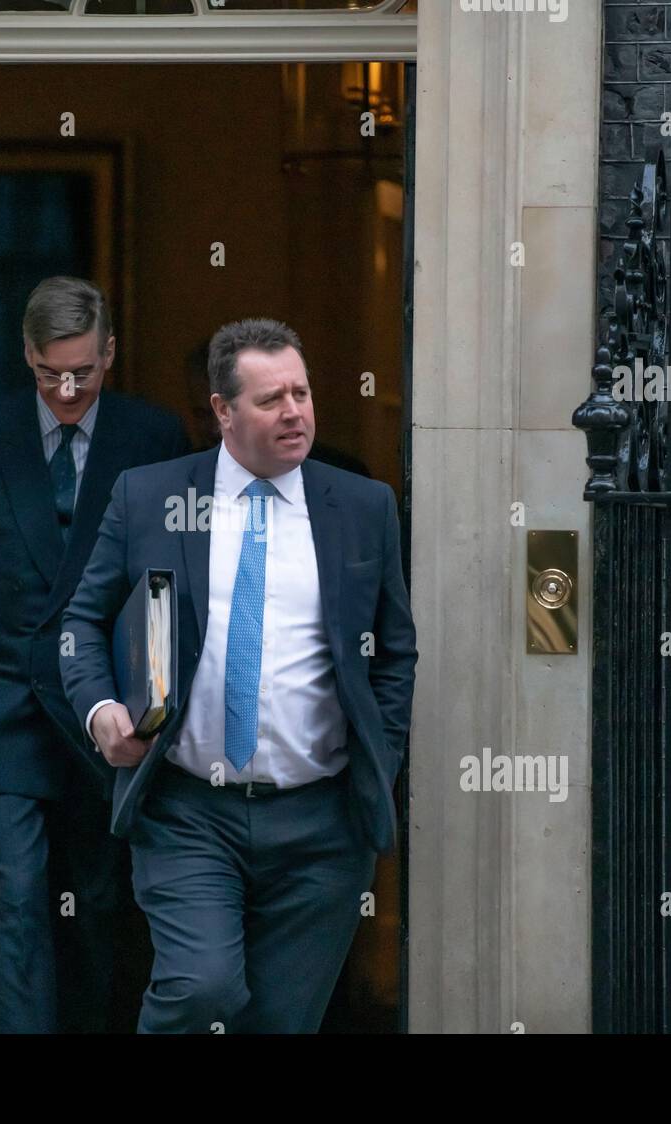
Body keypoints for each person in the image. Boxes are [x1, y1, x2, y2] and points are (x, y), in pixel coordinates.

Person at [61, 317, 418, 1033]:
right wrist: (102, 710)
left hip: (320, 822)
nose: (295, 412)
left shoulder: (361, 506)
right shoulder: (149, 497)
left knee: (281, 1022)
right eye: (271, 399)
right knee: (203, 991)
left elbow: (396, 651)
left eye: (302, 393)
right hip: (190, 810)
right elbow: (80, 625)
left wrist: (380, 759)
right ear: (222, 411)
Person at [0, 275, 192, 1033]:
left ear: (111, 355)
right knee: (21, 895)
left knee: (98, 898)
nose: (66, 388)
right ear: (26, 354)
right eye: (48, 371)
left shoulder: (153, 436)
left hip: (104, 703)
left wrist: (166, 697)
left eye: (84, 371)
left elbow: (173, 584)